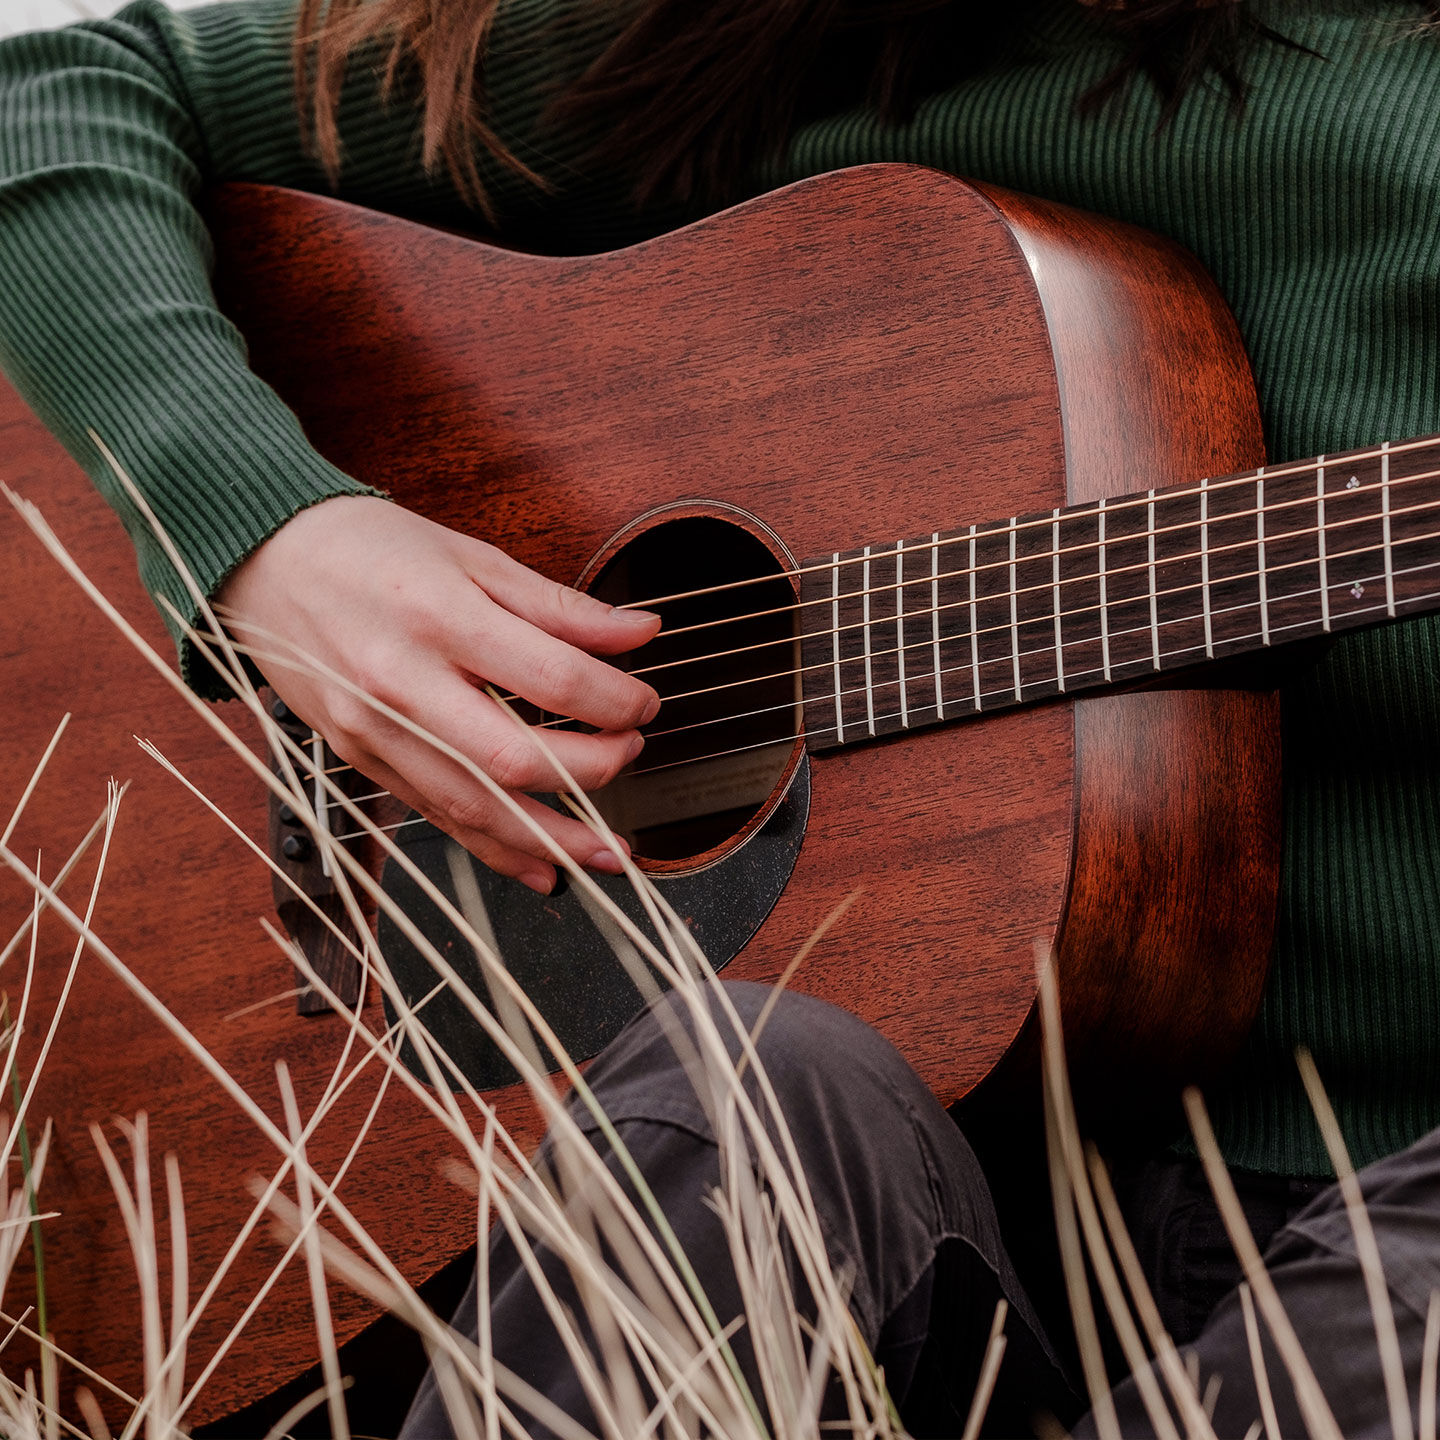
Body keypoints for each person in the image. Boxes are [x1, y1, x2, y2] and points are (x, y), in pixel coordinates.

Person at [2, 0, 1440, 1434]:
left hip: (1367, 1260)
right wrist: (269, 535)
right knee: (749, 1083)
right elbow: (51, 93)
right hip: (891, 1251)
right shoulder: (788, 36)